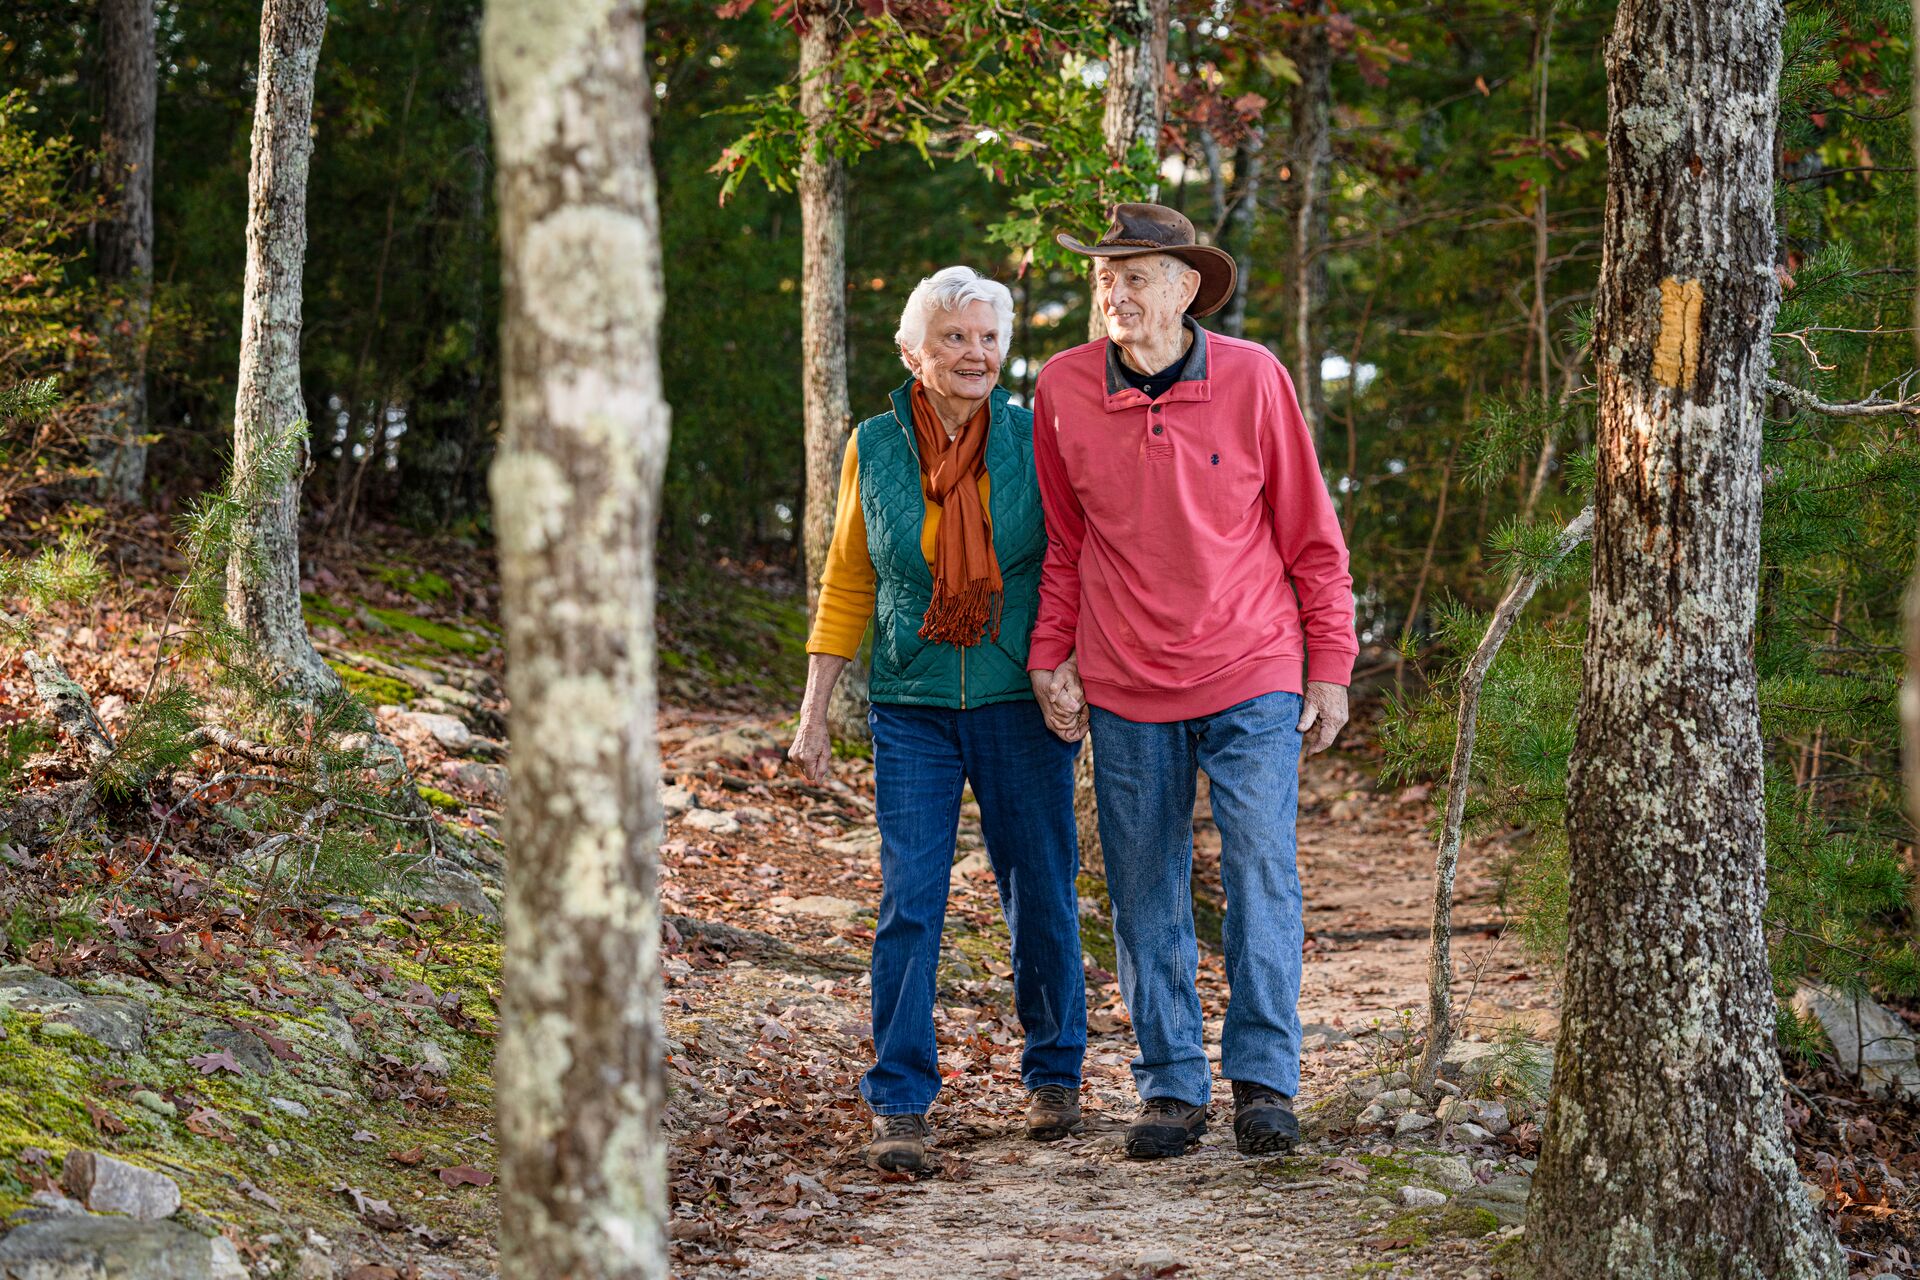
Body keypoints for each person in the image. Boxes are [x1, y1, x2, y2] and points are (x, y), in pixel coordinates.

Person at [1026, 204, 1358, 1160]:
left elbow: (1311, 535)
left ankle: (1265, 1080)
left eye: (1135, 275)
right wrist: (1052, 654)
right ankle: (1171, 1086)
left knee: (1259, 868)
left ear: (1185, 288)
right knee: (1143, 888)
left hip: (1253, 664)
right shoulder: (1062, 388)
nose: (1115, 292)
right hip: (1126, 677)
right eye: (1105, 276)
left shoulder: (1254, 377)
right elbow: (1064, 543)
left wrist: (1330, 665)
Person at [788, 266, 1087, 1175]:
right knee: (909, 900)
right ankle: (902, 1098)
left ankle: (1054, 1075)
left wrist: (1069, 664)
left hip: (1017, 701)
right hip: (912, 706)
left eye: (988, 338)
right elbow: (849, 578)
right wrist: (813, 714)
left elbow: (1074, 561)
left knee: (1041, 888)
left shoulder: (1034, 438)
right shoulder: (874, 445)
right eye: (955, 337)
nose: (975, 354)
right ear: (913, 352)